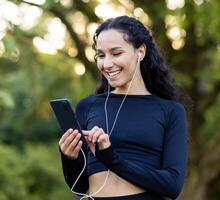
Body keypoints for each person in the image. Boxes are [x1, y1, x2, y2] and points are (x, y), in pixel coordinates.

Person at [58, 15, 188, 200]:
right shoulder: (88, 106)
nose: (107, 64)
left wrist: (110, 157)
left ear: (140, 52)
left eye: (116, 53)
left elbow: (172, 185)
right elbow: (79, 185)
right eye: (101, 55)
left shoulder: (170, 111)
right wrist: (68, 156)